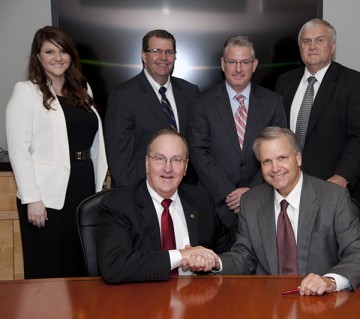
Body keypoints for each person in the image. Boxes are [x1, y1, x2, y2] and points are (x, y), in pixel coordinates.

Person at [184, 127, 360, 295]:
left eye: (282, 158)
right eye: (267, 161)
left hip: (321, 303)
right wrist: (215, 261)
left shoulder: (333, 197)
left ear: (298, 158)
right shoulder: (251, 202)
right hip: (268, 303)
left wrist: (330, 281)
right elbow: (244, 257)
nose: (275, 168)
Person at [6, 26, 108, 279]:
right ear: (38, 56)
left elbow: (94, 141)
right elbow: (19, 150)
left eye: (63, 51)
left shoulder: (82, 89)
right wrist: (32, 198)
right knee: (48, 267)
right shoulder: (26, 92)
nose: (58, 57)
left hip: (83, 186)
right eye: (49, 51)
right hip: (47, 196)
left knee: (80, 263)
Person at [188, 35, 287, 246]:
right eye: (232, 62)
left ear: (255, 65)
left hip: (261, 202)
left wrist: (251, 193)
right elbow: (198, 151)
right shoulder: (202, 102)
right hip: (215, 206)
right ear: (223, 64)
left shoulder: (273, 102)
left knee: (258, 274)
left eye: (245, 62)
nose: (238, 68)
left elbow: (280, 151)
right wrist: (229, 194)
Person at [96, 129, 229, 283]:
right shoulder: (119, 205)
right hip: (142, 301)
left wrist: (212, 261)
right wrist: (181, 255)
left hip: (195, 299)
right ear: (147, 163)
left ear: (186, 167)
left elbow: (224, 251)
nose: (168, 168)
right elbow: (114, 266)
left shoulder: (201, 200)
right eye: (160, 159)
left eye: (176, 160)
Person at [275, 18, 360, 209]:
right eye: (306, 41)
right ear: (300, 47)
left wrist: (342, 176)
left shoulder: (354, 82)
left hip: (334, 189)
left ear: (333, 46)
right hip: (289, 190)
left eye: (320, 40)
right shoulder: (284, 82)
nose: (312, 46)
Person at [105, 29, 199, 188]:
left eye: (169, 52)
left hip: (184, 191)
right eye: (156, 51)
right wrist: (135, 199)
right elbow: (119, 157)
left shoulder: (190, 92)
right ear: (143, 55)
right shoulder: (123, 95)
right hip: (141, 192)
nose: (163, 57)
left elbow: (196, 146)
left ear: (175, 57)